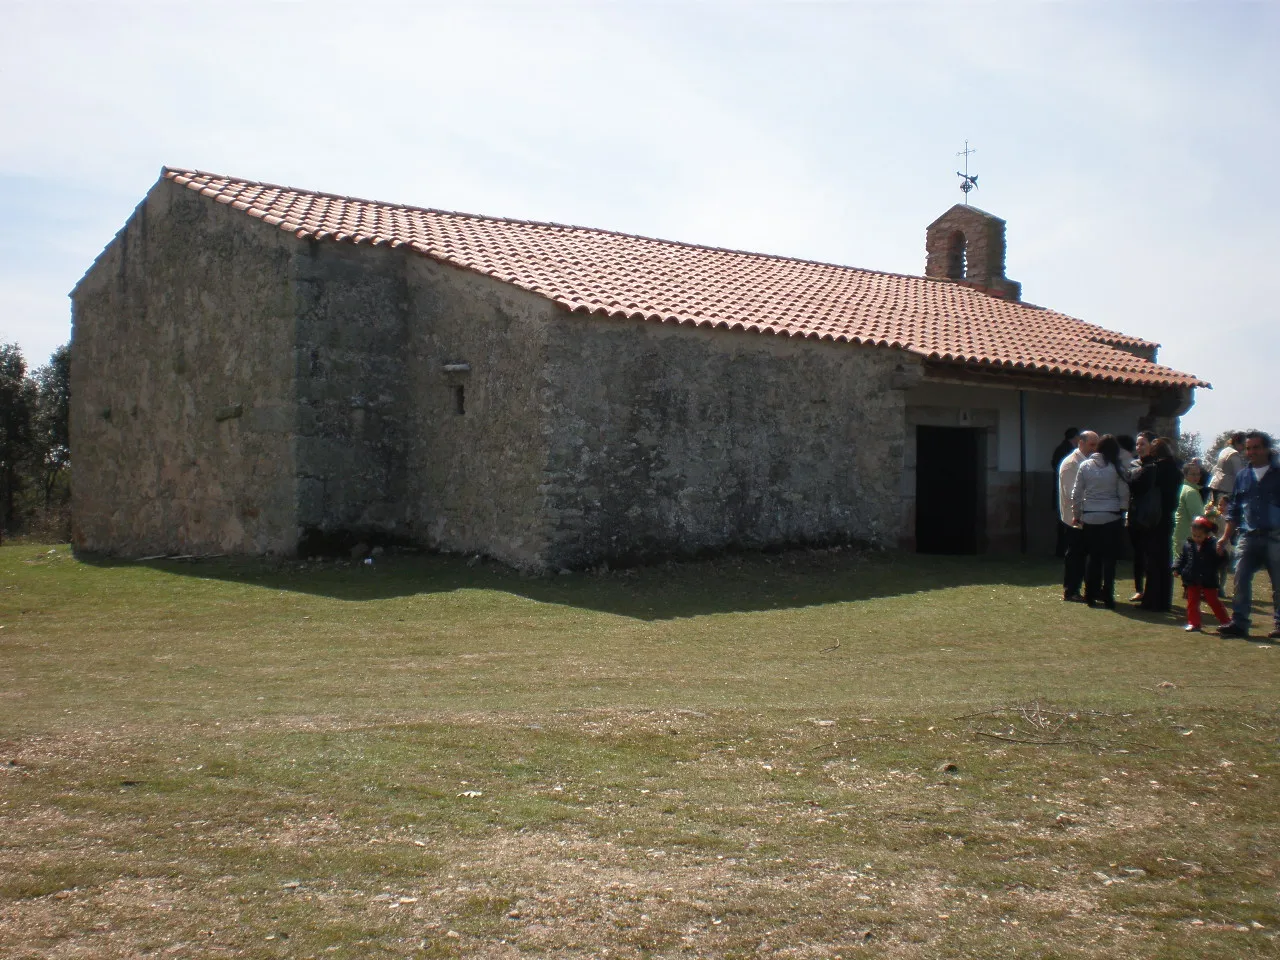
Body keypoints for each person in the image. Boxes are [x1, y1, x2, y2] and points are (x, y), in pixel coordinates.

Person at [1218, 431, 1280, 641]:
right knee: (1240, 578)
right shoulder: (1243, 475)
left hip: (1275, 535)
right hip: (1248, 535)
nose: (1251, 452)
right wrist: (1225, 537)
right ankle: (1239, 622)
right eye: (1248, 448)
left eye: (1256, 448)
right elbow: (1234, 509)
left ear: (1266, 449)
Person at [1070, 434, 1129, 609]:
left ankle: (1090, 593)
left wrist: (1077, 513)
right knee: (1109, 559)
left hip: (1090, 515)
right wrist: (1123, 510)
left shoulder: (1085, 466)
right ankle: (1108, 594)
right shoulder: (1115, 468)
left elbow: (1077, 492)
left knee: (1093, 556)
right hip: (1111, 515)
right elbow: (1123, 492)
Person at [1128, 436, 1182, 612]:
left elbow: (1136, 486)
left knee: (1152, 561)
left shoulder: (1154, 469)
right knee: (1164, 560)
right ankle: (1164, 600)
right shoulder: (1176, 469)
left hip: (1153, 518)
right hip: (1167, 516)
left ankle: (1151, 601)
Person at [1058, 430, 1098, 602]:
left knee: (1083, 556)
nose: (1095, 449)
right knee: (1075, 555)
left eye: (1096, 445)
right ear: (1080, 443)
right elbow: (1070, 493)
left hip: (1087, 516)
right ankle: (1071, 590)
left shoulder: (1089, 462)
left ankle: (1082, 589)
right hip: (1074, 518)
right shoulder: (1071, 463)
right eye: (1092, 445)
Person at [1173, 516, 1231, 633]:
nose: (1196, 538)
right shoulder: (1188, 544)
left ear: (1207, 534)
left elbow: (1222, 560)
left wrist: (1222, 555)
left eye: (1199, 536)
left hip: (1208, 578)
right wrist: (1176, 568)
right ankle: (1194, 623)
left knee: (1213, 601)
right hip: (1192, 577)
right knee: (1192, 602)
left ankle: (1226, 622)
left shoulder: (1213, 545)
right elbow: (1182, 558)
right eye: (1194, 535)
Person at [1126, 431, 1155, 602]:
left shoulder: (1156, 466)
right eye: (1137, 444)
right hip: (1136, 513)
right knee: (1138, 554)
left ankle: (1151, 589)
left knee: (1150, 553)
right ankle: (1139, 589)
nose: (1139, 447)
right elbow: (1131, 484)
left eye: (1143, 444)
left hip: (1151, 514)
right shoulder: (1133, 465)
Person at [1052, 427, 1080, 558]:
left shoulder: (1061, 448)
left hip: (1061, 490)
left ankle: (1062, 550)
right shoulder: (1068, 452)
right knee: (1066, 523)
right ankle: (1063, 551)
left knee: (1063, 523)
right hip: (1065, 491)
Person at [1170, 460, 1206, 557]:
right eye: (1193, 474)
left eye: (1198, 474)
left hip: (1180, 532)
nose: (1196, 477)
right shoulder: (1191, 491)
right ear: (1185, 475)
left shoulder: (1184, 488)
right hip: (1187, 534)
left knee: (1178, 562)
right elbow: (1198, 517)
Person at [1208, 432, 1247, 503]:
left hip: (1216, 484)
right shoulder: (1234, 454)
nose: (1244, 448)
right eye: (1243, 445)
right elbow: (1239, 473)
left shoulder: (1225, 450)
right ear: (1238, 443)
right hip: (1226, 488)